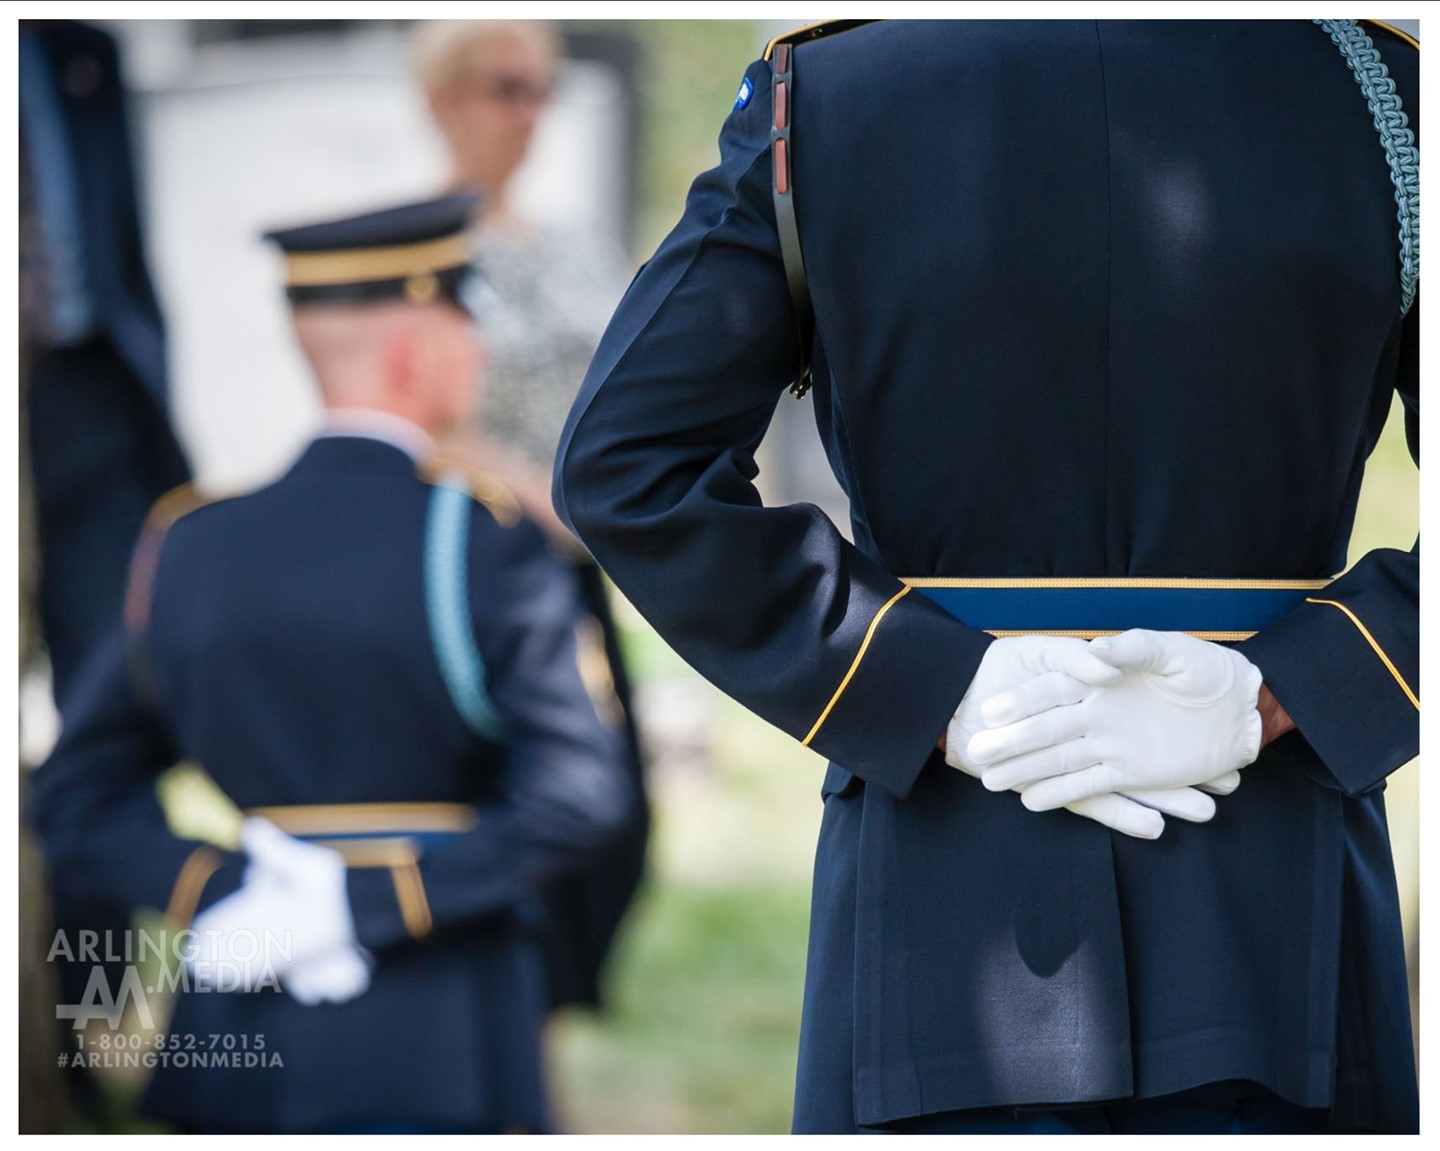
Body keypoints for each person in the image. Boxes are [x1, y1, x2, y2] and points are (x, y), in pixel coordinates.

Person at [553, 18, 1418, 1135]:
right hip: (1274, 876)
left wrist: (925, 684)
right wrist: (1288, 689)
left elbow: (627, 463)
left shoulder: (831, 88)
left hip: (947, 863)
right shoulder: (1382, 94)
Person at [30, 194, 633, 1134]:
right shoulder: (481, 541)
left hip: (238, 1004)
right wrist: (370, 902)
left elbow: (73, 797)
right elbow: (579, 794)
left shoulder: (188, 543)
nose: (477, 351)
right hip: (447, 1002)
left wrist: (226, 891)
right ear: (415, 353)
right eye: (465, 325)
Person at [414, 17, 648, 1010]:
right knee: (511, 803)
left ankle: (546, 1017)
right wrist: (537, 490)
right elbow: (414, 414)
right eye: (503, 88)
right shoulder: (413, 246)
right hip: (469, 563)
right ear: (445, 98)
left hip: (575, 564)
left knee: (612, 808)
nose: (527, 113)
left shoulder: (574, 243)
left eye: (540, 90)